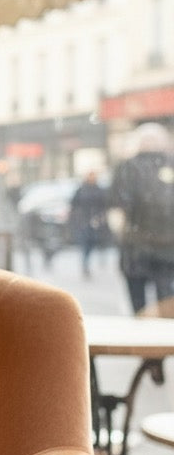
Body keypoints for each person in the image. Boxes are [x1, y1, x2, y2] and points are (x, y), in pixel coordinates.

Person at [110, 123, 174, 314]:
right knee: (166, 300)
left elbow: (117, 211)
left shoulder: (127, 168)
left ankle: (142, 337)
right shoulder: (170, 164)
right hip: (167, 249)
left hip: (135, 248)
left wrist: (124, 235)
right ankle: (165, 340)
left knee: (138, 305)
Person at [69, 170, 110, 277]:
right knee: (85, 244)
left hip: (96, 221)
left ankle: (97, 260)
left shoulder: (99, 190)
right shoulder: (81, 190)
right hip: (84, 221)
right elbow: (74, 204)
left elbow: (105, 205)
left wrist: (101, 217)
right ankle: (85, 264)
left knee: (95, 242)